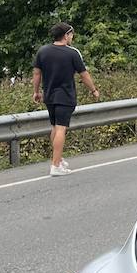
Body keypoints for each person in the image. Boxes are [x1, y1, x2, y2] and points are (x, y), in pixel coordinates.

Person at [33, 23, 100, 177]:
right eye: (71, 34)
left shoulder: (42, 51)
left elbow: (37, 74)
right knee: (61, 128)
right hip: (65, 95)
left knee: (54, 127)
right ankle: (55, 166)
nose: (72, 37)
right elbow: (84, 74)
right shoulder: (72, 53)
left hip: (49, 95)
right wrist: (94, 90)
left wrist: (36, 92)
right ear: (65, 35)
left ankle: (58, 158)